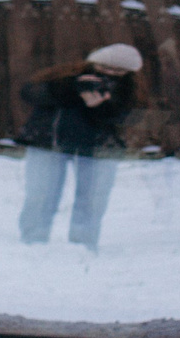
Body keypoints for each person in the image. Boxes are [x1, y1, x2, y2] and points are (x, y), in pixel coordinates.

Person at [16, 42, 142, 250]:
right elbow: (29, 92)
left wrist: (101, 106)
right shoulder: (64, 75)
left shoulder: (129, 87)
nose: (109, 72)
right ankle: (31, 242)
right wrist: (68, 89)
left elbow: (130, 117)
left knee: (93, 200)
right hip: (49, 142)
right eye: (104, 67)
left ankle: (83, 246)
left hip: (97, 149)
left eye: (118, 70)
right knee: (40, 195)